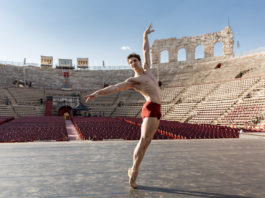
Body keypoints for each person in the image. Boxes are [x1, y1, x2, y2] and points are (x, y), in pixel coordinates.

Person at [84, 24, 161, 188]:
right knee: (143, 140)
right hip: (150, 107)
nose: (133, 63)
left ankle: (134, 169)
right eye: (130, 62)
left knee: (147, 143)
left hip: (158, 108)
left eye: (135, 60)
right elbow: (115, 87)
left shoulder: (148, 70)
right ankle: (134, 172)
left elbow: (147, 50)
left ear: (140, 61)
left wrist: (145, 36)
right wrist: (97, 93)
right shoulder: (133, 81)